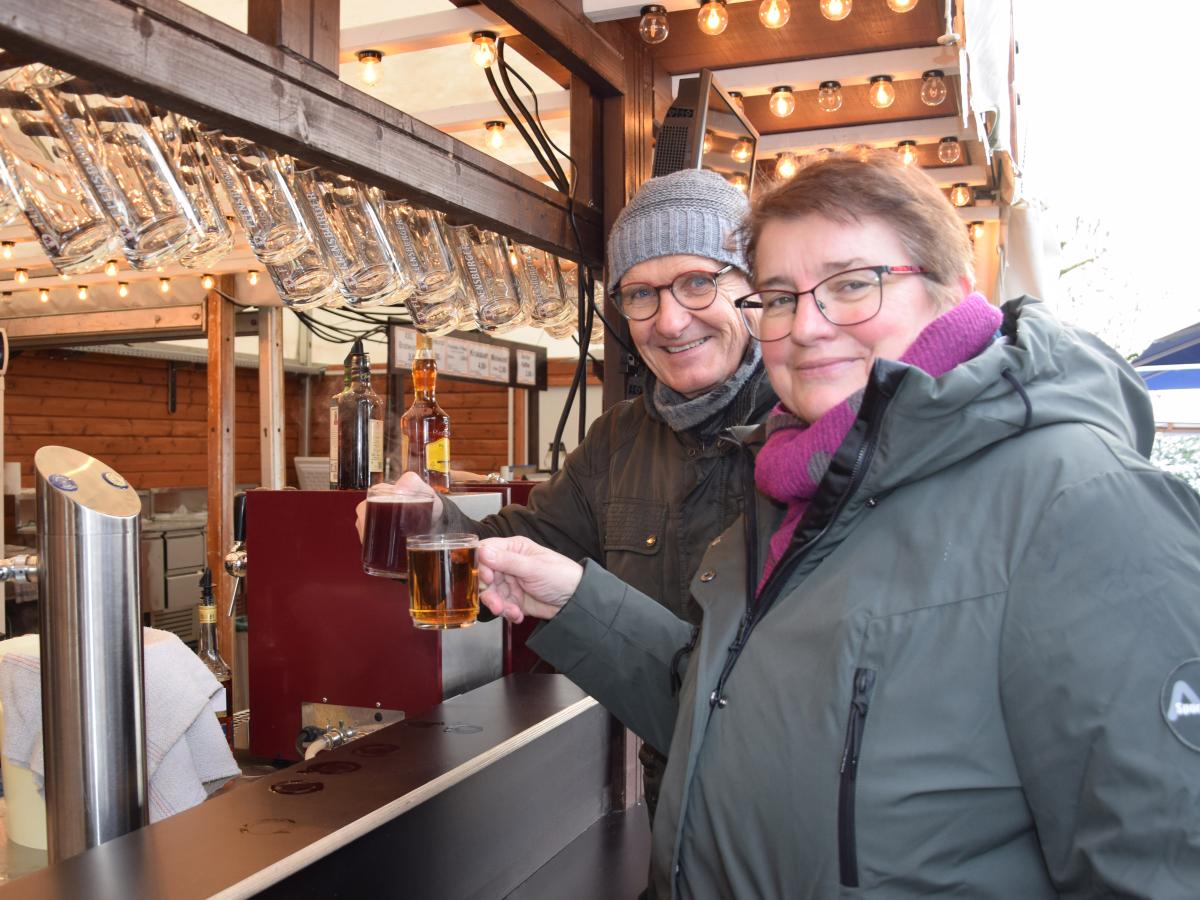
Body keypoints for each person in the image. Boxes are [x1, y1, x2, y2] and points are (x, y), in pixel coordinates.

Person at [473, 153, 1200, 898]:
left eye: (852, 284)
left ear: (954, 291)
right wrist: (571, 597)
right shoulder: (793, 489)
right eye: (782, 297)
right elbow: (722, 716)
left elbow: (1160, 859)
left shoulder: (1086, 503)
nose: (809, 326)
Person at [358, 167, 777, 816]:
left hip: (801, 835)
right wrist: (426, 522)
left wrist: (585, 600)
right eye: (639, 294)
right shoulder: (620, 440)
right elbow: (517, 546)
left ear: (753, 286)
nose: (669, 320)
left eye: (698, 282)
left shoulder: (811, 426)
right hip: (677, 829)